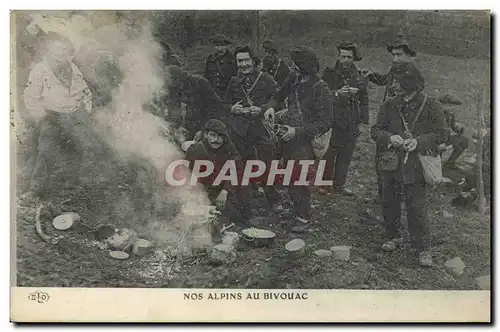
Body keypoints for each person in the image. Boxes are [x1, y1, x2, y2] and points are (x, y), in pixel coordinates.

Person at [370, 62, 448, 267]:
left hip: (416, 165)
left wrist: (419, 142)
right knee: (389, 201)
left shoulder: (431, 105)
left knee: (417, 207)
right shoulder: (389, 104)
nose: (393, 85)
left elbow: (442, 133)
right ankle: (393, 236)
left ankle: (422, 248)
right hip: (392, 163)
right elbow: (375, 131)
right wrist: (390, 137)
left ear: (410, 83)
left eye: (397, 81)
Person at [19, 32, 94, 206]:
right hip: (51, 117)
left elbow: (85, 92)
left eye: (65, 52)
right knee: (45, 152)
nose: (61, 56)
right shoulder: (40, 70)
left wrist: (85, 112)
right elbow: (30, 96)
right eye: (57, 52)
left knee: (78, 151)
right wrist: (42, 118)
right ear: (49, 52)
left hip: (73, 116)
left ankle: (69, 190)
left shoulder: (74, 69)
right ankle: (35, 190)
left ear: (69, 54)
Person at [265, 45, 334, 229]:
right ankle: (295, 207)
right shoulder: (294, 78)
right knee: (286, 172)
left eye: (296, 64)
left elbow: (325, 122)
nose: (293, 67)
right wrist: (272, 107)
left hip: (305, 138)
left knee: (299, 176)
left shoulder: (321, 89)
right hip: (286, 131)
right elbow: (278, 95)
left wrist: (297, 132)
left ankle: (303, 216)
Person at [224, 45, 283, 213]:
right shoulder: (234, 81)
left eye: (246, 60)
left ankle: (273, 197)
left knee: (268, 163)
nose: (243, 64)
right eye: (239, 61)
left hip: (261, 128)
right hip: (240, 129)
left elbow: (277, 100)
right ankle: (246, 199)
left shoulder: (266, 79)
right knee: (243, 163)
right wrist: (232, 109)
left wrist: (263, 109)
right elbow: (225, 103)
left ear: (253, 61)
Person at [362, 38, 418, 203]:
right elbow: (386, 81)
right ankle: (384, 194)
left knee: (397, 159)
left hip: (402, 121)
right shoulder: (395, 68)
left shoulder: (413, 74)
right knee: (381, 155)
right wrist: (371, 75)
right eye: (393, 55)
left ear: (409, 55)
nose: (395, 58)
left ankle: (394, 195)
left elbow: (415, 101)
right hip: (386, 118)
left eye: (399, 55)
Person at [321, 42, 369, 196]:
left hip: (352, 120)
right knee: (328, 154)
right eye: (343, 57)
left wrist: (363, 121)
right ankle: (324, 185)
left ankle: (339, 185)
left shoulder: (359, 75)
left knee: (346, 155)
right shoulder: (329, 73)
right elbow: (321, 95)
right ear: (338, 57)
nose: (346, 60)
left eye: (349, 57)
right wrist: (337, 93)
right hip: (333, 119)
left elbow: (365, 98)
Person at [185, 119, 252, 226]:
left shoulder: (229, 148)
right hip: (204, 189)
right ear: (206, 135)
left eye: (220, 136)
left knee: (243, 185)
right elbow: (188, 176)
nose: (216, 140)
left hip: (223, 187)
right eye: (212, 135)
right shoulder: (196, 150)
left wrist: (225, 190)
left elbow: (238, 171)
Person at [162, 65, 226, 140]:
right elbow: (174, 110)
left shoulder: (199, 82)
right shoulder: (173, 88)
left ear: (174, 77)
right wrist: (178, 127)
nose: (164, 80)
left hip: (208, 128)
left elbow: (214, 107)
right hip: (189, 129)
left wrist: (203, 130)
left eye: (166, 76)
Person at [437, 94, 469, 169]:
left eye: (453, 106)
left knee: (464, 141)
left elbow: (454, 127)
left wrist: (460, 128)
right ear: (443, 104)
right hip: (435, 142)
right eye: (450, 106)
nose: (452, 108)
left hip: (445, 140)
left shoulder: (450, 114)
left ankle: (449, 164)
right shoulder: (435, 113)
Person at [204, 34, 238, 98]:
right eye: (217, 45)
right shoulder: (210, 59)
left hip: (228, 94)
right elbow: (206, 77)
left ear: (226, 46)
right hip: (213, 93)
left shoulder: (233, 59)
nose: (219, 47)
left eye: (222, 45)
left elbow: (237, 79)